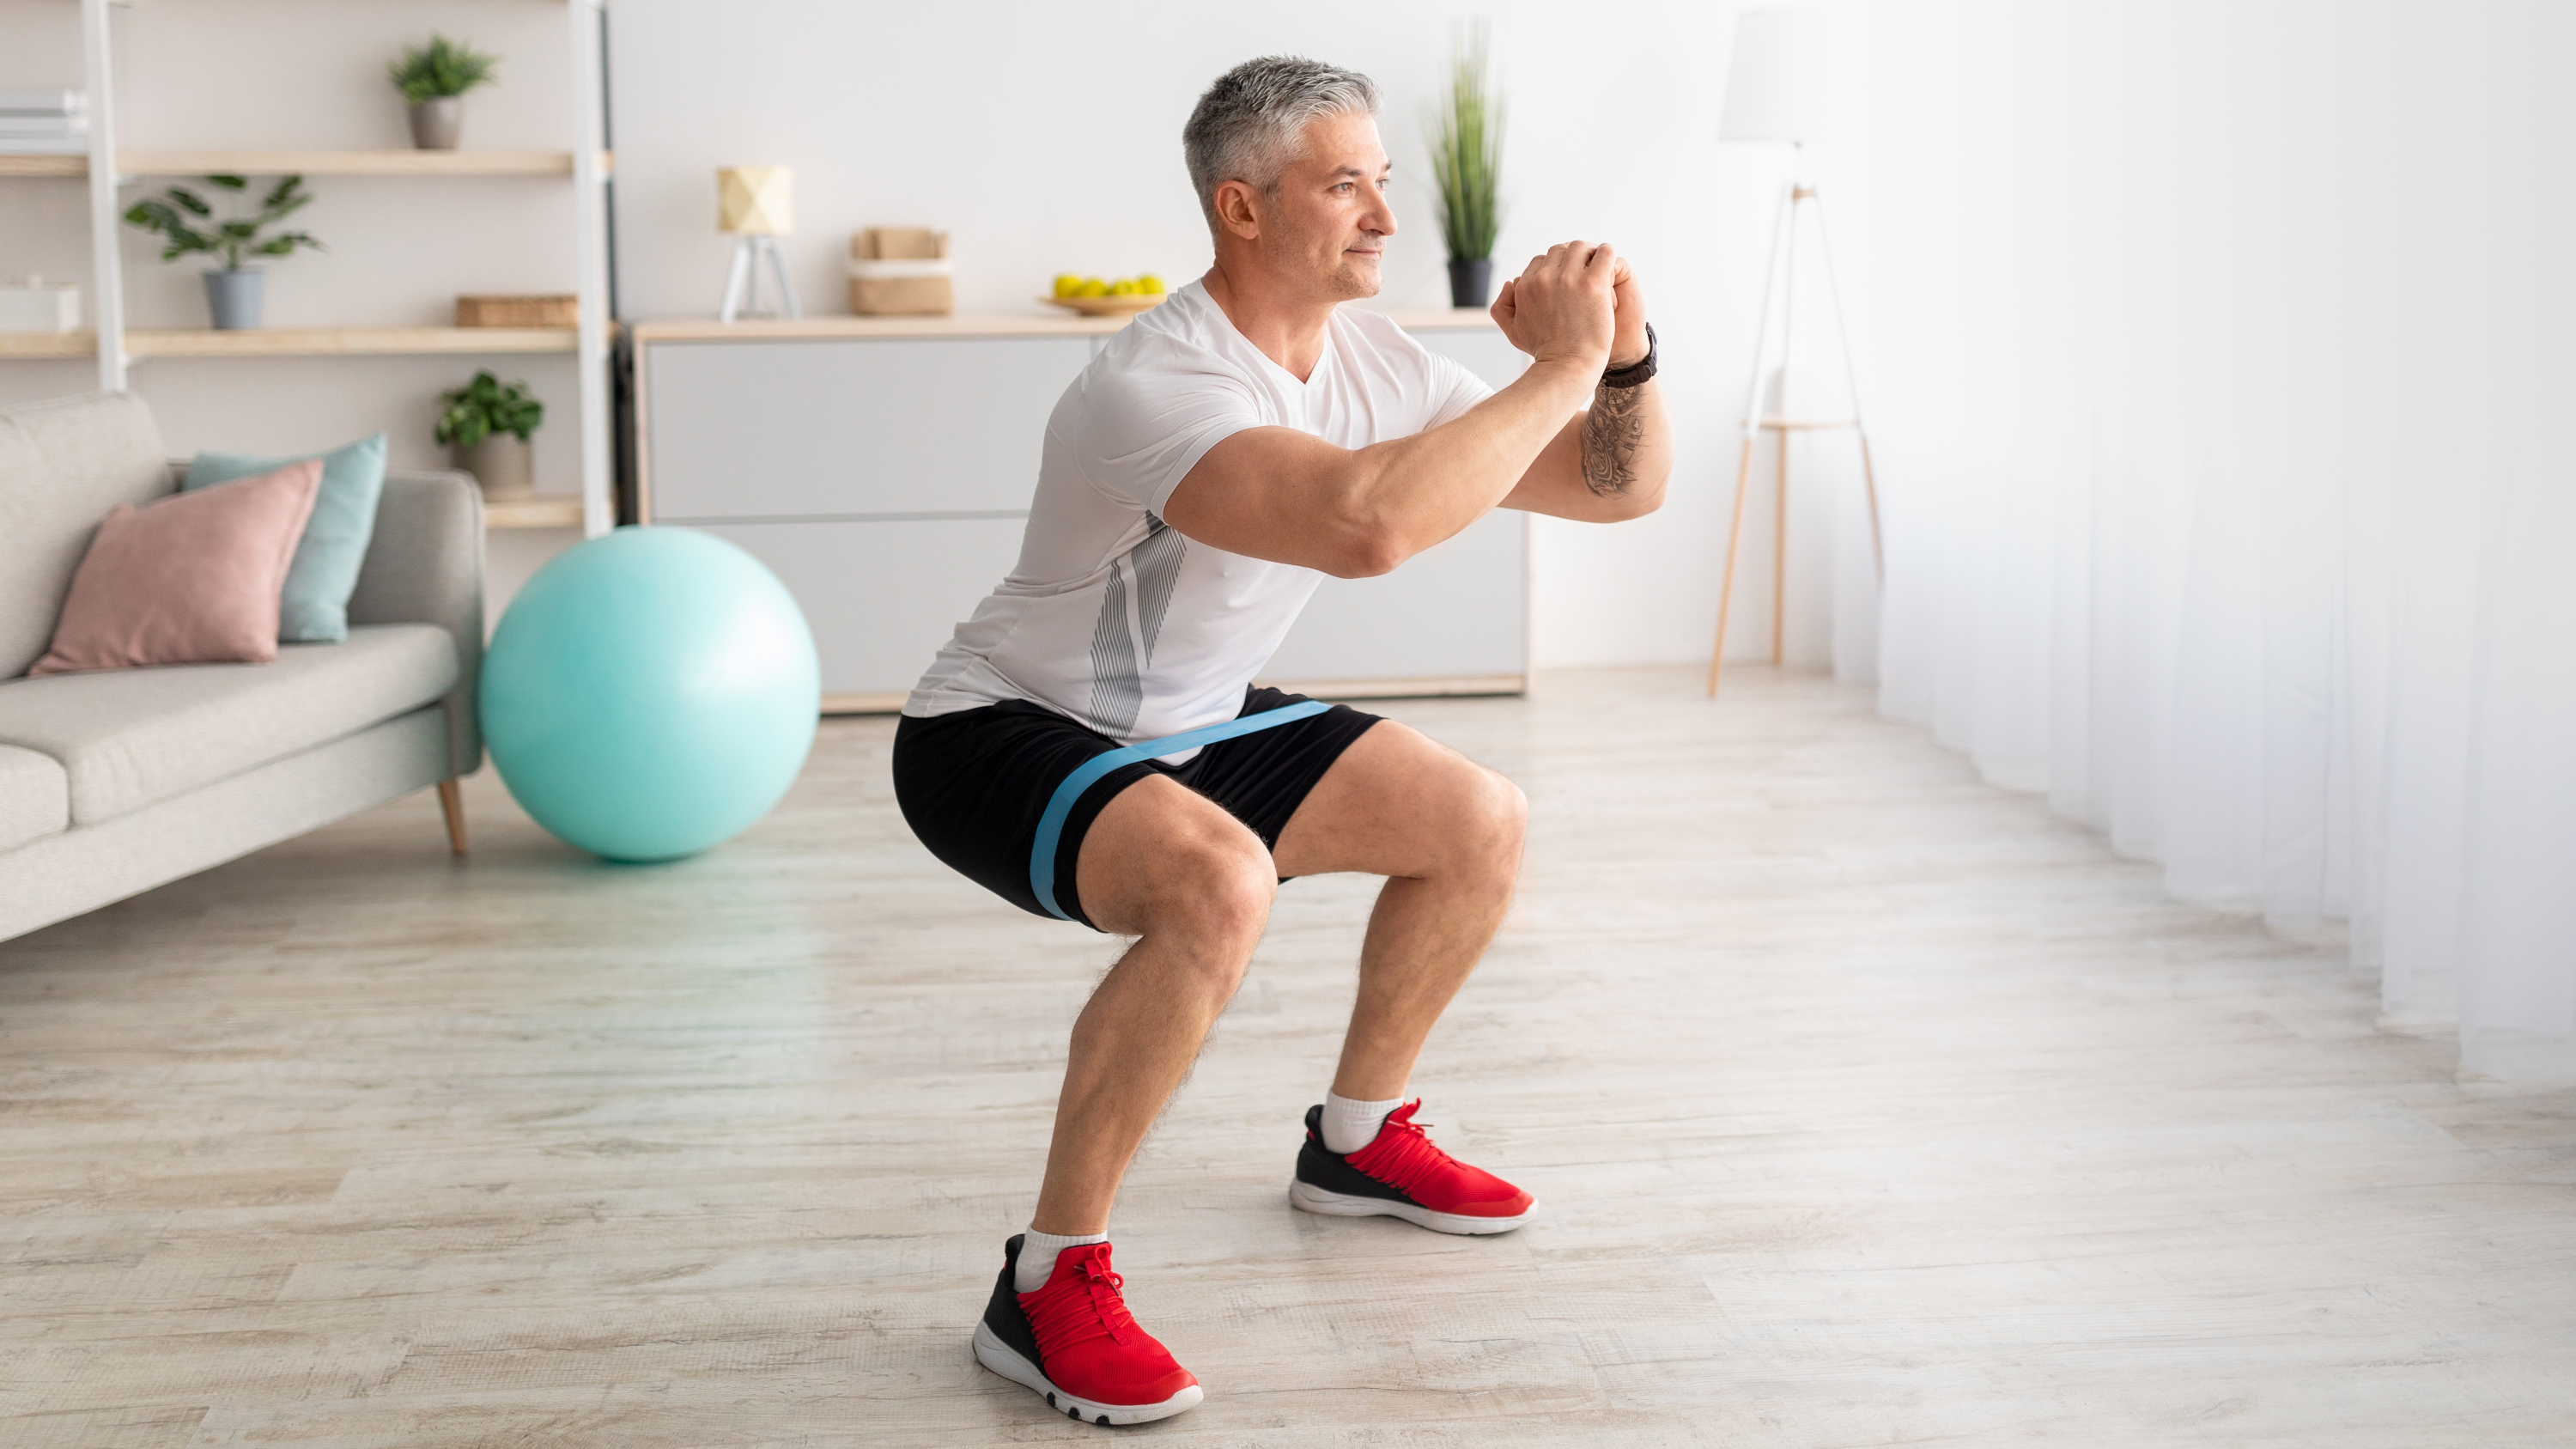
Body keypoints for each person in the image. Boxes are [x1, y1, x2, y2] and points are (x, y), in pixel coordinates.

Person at [890, 54, 1673, 1426]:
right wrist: (1554, 363)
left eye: (1385, 180)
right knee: (1217, 885)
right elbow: (1365, 526)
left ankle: (1360, 1143)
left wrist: (1625, 359)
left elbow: (1617, 492)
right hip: (1003, 728)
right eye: (1344, 184)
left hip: (1193, 719)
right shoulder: (1159, 381)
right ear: (1241, 209)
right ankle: (1047, 1280)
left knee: (1479, 820)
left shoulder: (1369, 356)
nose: (1382, 214)